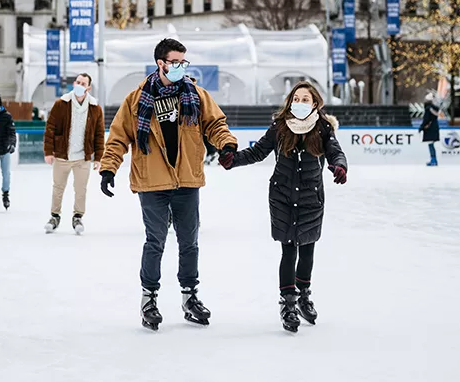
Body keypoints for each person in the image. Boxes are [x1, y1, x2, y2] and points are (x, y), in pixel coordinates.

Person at [98, 38, 237, 331]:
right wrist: (109, 168)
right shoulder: (136, 99)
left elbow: (215, 124)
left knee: (190, 243)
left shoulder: (196, 95)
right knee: (155, 242)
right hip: (152, 182)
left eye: (183, 63)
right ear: (160, 63)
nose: (180, 68)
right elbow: (119, 136)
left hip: (186, 179)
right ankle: (149, 299)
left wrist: (226, 144)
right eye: (175, 62)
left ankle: (189, 297)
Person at [220, 81, 347, 332]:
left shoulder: (322, 128)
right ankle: (288, 303)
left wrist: (339, 165)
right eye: (296, 99)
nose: (300, 103)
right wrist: (233, 160)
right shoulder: (279, 127)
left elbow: (335, 152)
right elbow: (258, 152)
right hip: (282, 197)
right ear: (290, 101)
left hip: (311, 198)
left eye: (305, 99)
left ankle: (303, 296)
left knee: (307, 249)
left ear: (315, 103)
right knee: (288, 250)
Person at [42, 73, 105, 234]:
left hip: (82, 158)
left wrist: (98, 157)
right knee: (58, 188)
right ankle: (54, 216)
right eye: (77, 81)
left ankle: (78, 216)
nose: (79, 85)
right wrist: (49, 151)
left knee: (81, 189)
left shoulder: (95, 108)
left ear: (88, 87)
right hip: (62, 156)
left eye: (83, 83)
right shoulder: (61, 104)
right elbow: (50, 128)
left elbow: (99, 134)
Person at [419, 92, 440, 166]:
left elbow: (426, 119)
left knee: (430, 144)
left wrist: (421, 127)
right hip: (434, 127)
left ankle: (433, 160)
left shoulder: (428, 109)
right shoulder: (434, 109)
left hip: (429, 128)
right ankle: (433, 159)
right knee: (431, 144)